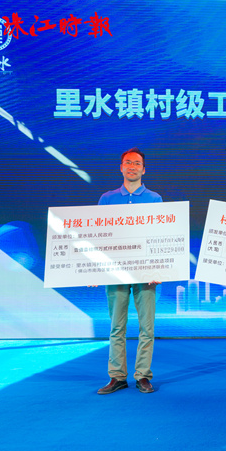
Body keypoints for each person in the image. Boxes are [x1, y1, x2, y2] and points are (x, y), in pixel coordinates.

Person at [96, 148, 163, 395]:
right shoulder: (107, 199)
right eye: (128, 163)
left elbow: (160, 236)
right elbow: (98, 237)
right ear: (121, 167)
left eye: (137, 163)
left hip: (145, 272)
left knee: (147, 327)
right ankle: (117, 376)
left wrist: (159, 268)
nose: (132, 167)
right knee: (116, 326)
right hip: (115, 271)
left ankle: (143, 375)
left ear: (144, 169)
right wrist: (95, 270)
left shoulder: (154, 199)